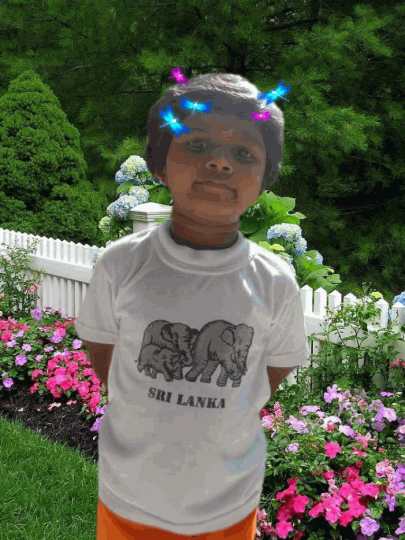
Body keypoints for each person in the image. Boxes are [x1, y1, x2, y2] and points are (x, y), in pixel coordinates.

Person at [74, 71, 310, 539]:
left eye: (243, 154)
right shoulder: (121, 264)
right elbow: (103, 351)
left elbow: (273, 369)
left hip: (228, 503)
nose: (220, 163)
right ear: (159, 164)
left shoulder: (275, 282)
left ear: (265, 178)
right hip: (129, 496)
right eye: (198, 145)